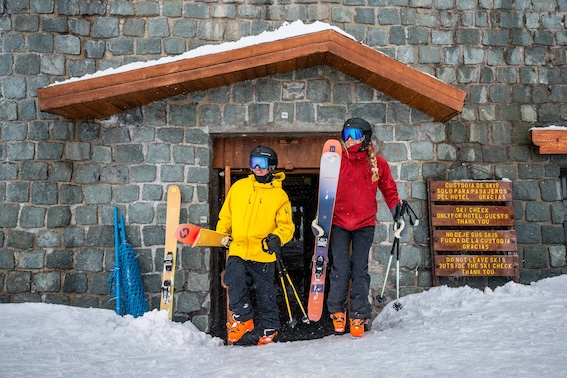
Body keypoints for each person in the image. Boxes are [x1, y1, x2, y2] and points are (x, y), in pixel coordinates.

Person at [315, 117, 402, 337]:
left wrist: (396, 211)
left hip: (365, 223)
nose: (350, 140)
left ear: (365, 138)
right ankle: (337, 312)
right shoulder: (337, 161)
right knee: (340, 268)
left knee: (359, 269)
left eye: (354, 135)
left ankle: (359, 314)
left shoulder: (377, 163)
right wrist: (319, 218)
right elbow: (325, 191)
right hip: (339, 222)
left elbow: (389, 190)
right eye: (346, 136)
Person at [216, 146, 295, 346]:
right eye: (254, 163)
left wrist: (277, 238)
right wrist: (221, 236)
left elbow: (287, 226)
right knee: (234, 278)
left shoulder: (279, 195)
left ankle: (269, 329)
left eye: (262, 163)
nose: (257, 168)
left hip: (263, 253)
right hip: (239, 248)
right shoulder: (239, 188)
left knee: (265, 293)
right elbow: (226, 216)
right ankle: (243, 318)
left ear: (272, 166)